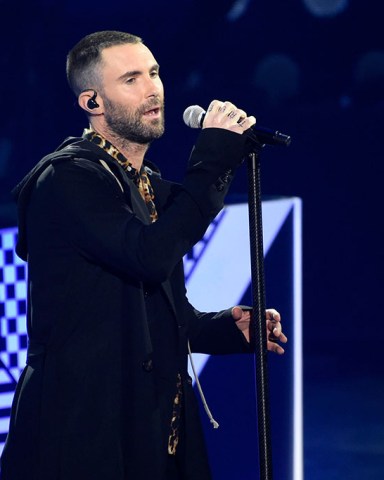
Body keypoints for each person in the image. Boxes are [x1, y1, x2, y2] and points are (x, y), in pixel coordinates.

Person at [0, 30, 287, 480]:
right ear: (93, 102)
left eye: (154, 73)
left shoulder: (146, 182)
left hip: (154, 425)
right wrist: (212, 160)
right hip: (87, 429)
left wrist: (224, 330)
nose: (153, 88)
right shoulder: (68, 179)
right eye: (131, 79)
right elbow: (148, 256)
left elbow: (157, 313)